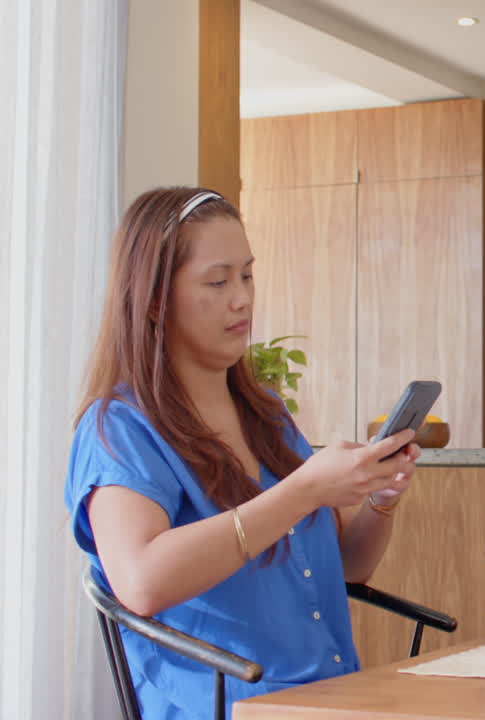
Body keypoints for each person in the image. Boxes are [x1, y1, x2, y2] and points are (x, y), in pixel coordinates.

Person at [65, 187, 421, 719]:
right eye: (218, 280)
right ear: (156, 300)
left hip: (329, 700)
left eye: (247, 276)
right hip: (232, 706)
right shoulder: (119, 428)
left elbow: (346, 566)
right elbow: (141, 582)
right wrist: (303, 491)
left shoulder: (266, 415)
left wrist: (381, 497)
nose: (242, 299)